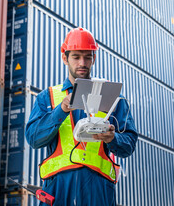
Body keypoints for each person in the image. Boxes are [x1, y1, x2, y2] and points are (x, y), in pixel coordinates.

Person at [25, 27, 138, 206]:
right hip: (58, 190)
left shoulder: (113, 97)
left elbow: (129, 144)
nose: (82, 63)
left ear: (94, 58)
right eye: (76, 57)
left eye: (87, 57)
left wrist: (113, 138)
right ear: (65, 58)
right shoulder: (48, 98)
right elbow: (33, 139)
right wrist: (60, 111)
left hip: (98, 191)